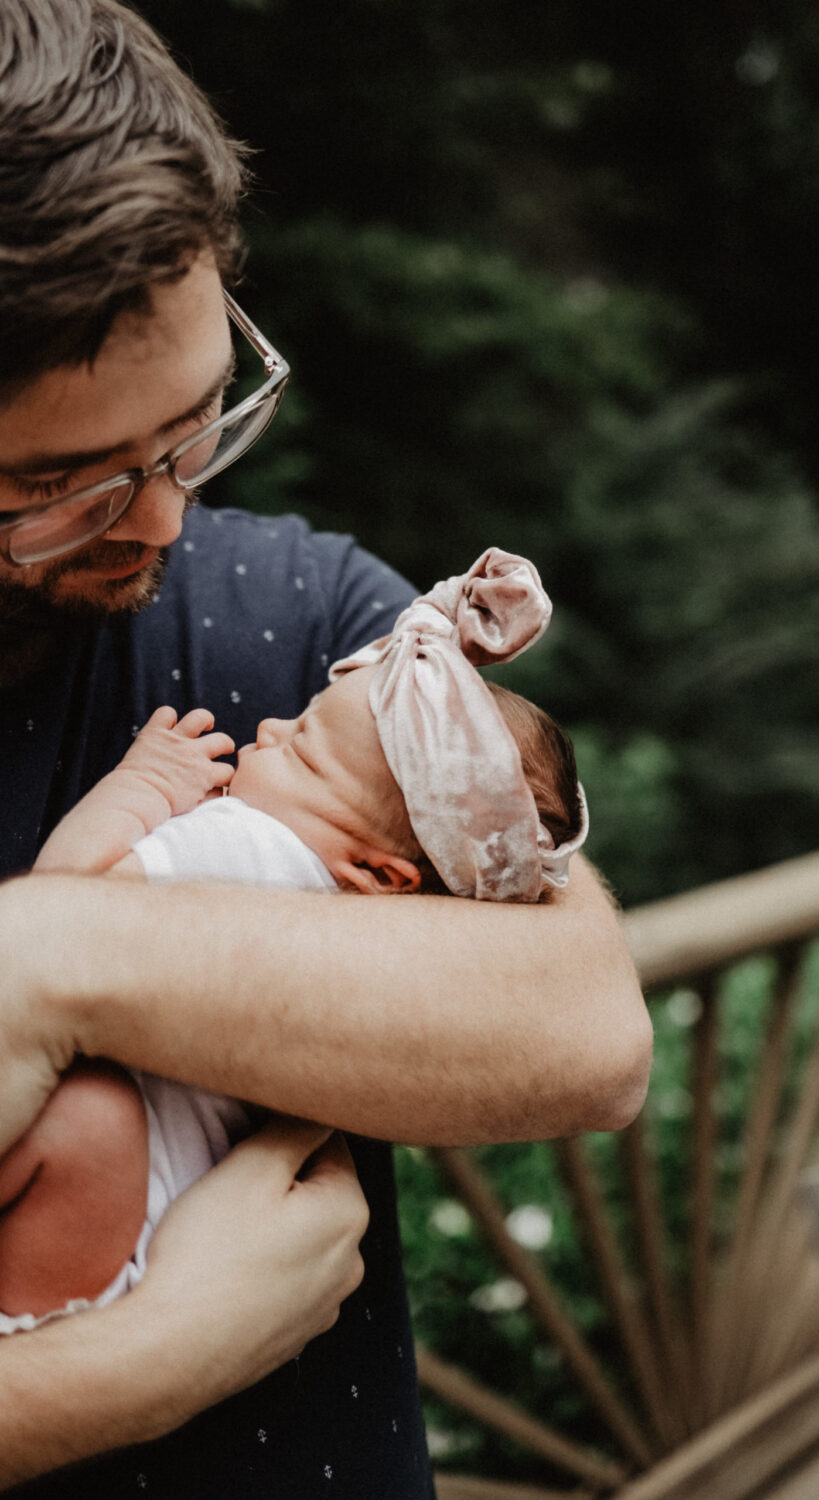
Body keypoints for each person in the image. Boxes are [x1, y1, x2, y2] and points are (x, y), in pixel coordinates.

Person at [0, 2, 651, 1494]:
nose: (165, 518)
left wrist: (44, 963)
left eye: (195, 424)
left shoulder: (291, 613)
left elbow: (584, 1027)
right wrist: (124, 1368)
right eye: (64, 486)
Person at [1, 550, 589, 1328]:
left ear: (379, 873)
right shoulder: (372, 936)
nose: (272, 728)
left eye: (305, 749)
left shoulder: (258, 850)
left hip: (89, 1200)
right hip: (156, 1224)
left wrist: (137, 791)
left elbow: (63, 908)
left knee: (88, 1115)